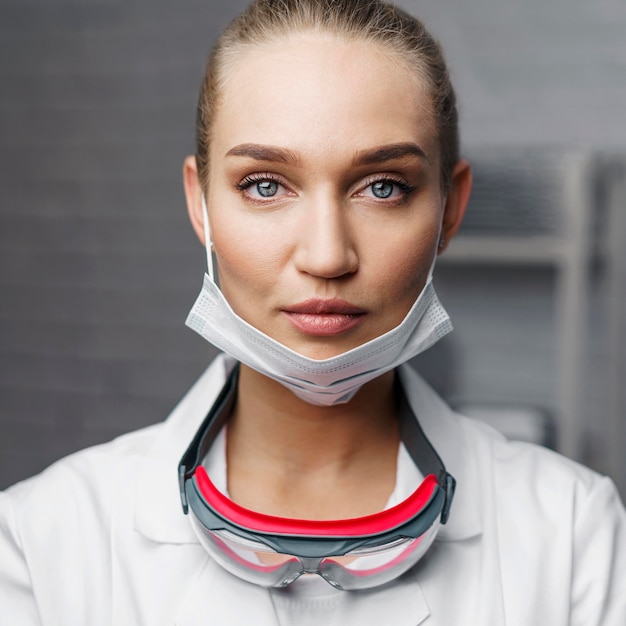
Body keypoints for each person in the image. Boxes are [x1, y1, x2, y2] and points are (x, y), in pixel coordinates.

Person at [1, 0, 625, 623]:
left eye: (383, 187)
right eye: (265, 185)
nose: (327, 256)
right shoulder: (40, 543)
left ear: (450, 210)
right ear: (201, 205)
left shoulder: (575, 537)